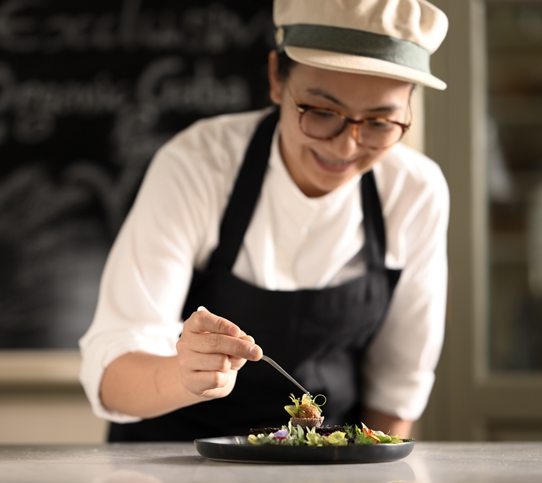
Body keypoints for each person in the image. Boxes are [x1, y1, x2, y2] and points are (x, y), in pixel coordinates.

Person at [79, 0, 449, 442]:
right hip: (170, 462)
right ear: (277, 78)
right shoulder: (199, 164)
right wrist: (186, 377)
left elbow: (397, 388)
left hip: (324, 465)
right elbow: (113, 374)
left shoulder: (414, 191)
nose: (347, 146)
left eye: (381, 123)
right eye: (322, 112)